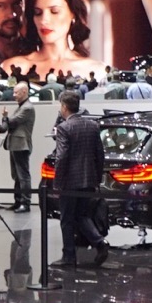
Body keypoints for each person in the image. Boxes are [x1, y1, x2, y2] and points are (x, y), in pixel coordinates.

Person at [0, 0, 99, 81]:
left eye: (54, 11)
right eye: (38, 13)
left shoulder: (95, 70)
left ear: (73, 14)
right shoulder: (13, 68)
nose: (44, 20)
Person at [50, 91, 106, 269]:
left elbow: (61, 157)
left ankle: (69, 256)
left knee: (67, 219)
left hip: (70, 182)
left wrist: (57, 183)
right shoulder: (92, 125)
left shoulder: (64, 128)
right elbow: (100, 154)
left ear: (64, 107)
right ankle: (100, 243)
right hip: (89, 179)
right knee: (82, 215)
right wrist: (97, 178)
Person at [2, 82, 35, 212]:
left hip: (21, 145)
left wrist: (5, 117)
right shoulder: (22, 106)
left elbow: (12, 121)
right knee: (17, 175)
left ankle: (25, 203)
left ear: (24, 92)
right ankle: (18, 201)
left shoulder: (27, 108)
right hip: (16, 144)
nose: (14, 95)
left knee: (23, 175)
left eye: (16, 92)